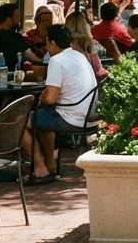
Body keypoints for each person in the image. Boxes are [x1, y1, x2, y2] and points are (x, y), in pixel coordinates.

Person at [22, 24, 97, 183]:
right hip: (89, 116)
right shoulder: (79, 55)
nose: (46, 46)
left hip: (71, 118)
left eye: (47, 42)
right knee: (43, 118)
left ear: (53, 42)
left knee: (19, 123)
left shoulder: (57, 60)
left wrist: (42, 96)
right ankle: (50, 165)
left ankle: (40, 169)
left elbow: (50, 98)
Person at [0, 3, 40, 69]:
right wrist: (41, 61)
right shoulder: (15, 37)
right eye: (16, 16)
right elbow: (28, 54)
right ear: (7, 19)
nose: (18, 19)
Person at [65, 10, 107, 77]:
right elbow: (97, 69)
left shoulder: (63, 43)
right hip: (88, 80)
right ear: (85, 26)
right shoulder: (91, 43)